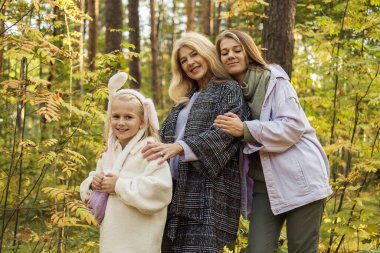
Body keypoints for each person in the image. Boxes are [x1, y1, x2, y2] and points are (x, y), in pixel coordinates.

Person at [214, 30, 332, 253]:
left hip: (300, 178)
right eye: (224, 52)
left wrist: (245, 129)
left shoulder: (274, 80)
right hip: (264, 184)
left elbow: (293, 126)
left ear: (248, 52)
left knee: (301, 249)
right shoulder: (228, 93)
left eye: (236, 50)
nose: (230, 55)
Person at [141, 32, 249, 252]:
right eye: (183, 60)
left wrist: (180, 148)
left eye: (194, 54)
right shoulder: (184, 100)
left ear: (207, 53)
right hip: (174, 193)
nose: (190, 62)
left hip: (207, 194)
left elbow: (225, 133)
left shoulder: (228, 89)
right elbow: (161, 139)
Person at [80, 72, 172, 253]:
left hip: (140, 240)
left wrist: (119, 186)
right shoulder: (109, 152)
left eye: (128, 117)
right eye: (116, 116)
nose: (121, 122)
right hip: (112, 238)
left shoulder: (150, 150)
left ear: (142, 122)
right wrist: (94, 182)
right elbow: (88, 185)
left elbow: (160, 191)